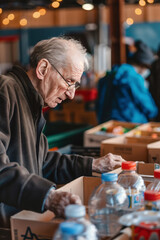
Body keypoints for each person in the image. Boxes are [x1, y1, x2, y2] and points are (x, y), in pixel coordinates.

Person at [0, 36, 125, 227]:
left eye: (75, 85)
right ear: (43, 69)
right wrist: (48, 197)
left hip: (20, 219)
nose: (71, 94)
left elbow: (43, 162)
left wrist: (93, 165)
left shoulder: (32, 103)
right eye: (69, 81)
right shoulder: (5, 92)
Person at [96, 40, 158, 124]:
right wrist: (154, 113)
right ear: (143, 65)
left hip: (106, 123)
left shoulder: (111, 74)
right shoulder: (134, 78)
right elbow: (148, 106)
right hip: (128, 124)